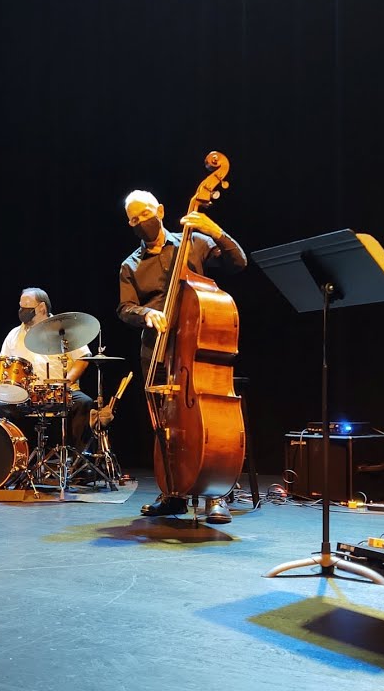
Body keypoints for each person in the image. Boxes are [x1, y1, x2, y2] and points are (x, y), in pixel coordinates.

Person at [116, 189, 248, 524]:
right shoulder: (130, 265)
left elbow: (238, 262)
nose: (139, 222)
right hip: (157, 351)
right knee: (166, 427)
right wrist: (145, 313)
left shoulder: (194, 242)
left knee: (206, 424)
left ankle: (216, 494)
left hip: (195, 348)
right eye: (132, 219)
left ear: (159, 209)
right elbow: (124, 307)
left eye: (144, 214)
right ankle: (173, 493)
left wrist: (213, 228)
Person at [0, 287, 95, 474]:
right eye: (20, 307)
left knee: (84, 403)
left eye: (27, 307)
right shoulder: (14, 334)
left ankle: (81, 465)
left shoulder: (62, 329)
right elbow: (2, 364)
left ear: (42, 307)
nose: (22, 311)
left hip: (60, 391)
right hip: (25, 394)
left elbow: (84, 357)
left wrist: (67, 382)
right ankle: (8, 464)